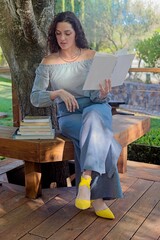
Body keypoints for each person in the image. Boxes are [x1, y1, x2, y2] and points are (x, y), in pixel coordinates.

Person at [30, 11, 123, 219]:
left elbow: (96, 98)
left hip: (97, 108)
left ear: (76, 33)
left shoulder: (91, 56)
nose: (62, 38)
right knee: (96, 133)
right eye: (58, 33)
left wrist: (102, 93)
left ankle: (86, 181)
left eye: (67, 33)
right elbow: (35, 97)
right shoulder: (48, 62)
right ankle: (97, 199)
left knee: (92, 118)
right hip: (69, 115)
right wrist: (58, 93)